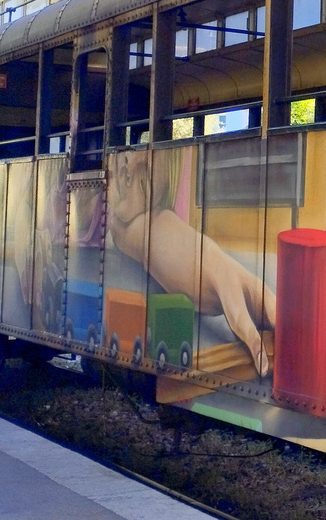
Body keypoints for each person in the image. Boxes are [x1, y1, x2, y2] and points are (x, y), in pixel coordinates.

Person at [106, 148, 274, 376]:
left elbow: (156, 230)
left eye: (144, 184)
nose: (130, 161)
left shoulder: (152, 215)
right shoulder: (129, 216)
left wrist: (216, 264)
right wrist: (217, 265)